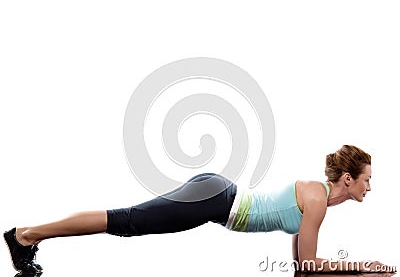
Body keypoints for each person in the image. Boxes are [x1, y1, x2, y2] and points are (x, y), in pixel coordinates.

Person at [4, 145, 395, 274]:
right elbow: (310, 264)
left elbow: (299, 267)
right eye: (366, 180)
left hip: (217, 191)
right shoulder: (315, 201)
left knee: (128, 221)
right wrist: (363, 266)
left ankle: (28, 237)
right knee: (126, 221)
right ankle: (25, 235)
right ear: (348, 178)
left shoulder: (317, 200)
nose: (369, 187)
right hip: (215, 199)